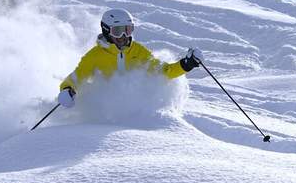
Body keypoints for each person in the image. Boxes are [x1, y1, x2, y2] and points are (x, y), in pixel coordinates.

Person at [57, 8, 203, 108]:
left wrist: (186, 64)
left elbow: (164, 72)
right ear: (107, 31)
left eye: (128, 30)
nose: (123, 36)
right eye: (118, 31)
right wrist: (67, 89)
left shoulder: (139, 51)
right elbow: (77, 77)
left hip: (134, 111)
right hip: (104, 112)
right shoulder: (94, 56)